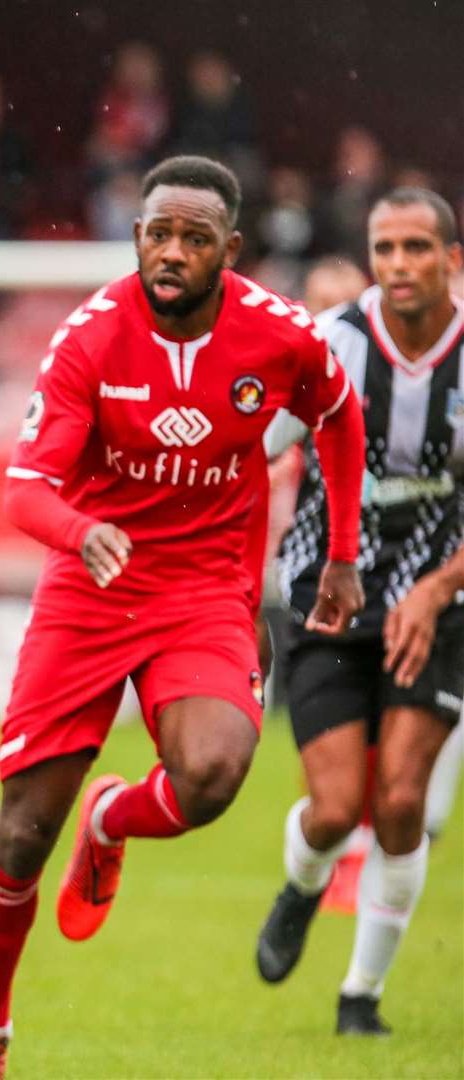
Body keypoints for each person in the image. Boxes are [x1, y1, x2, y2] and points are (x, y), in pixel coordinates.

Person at [0, 155, 366, 1080]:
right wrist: (79, 526)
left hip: (204, 588)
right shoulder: (89, 339)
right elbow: (24, 491)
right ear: (137, 235)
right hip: (89, 592)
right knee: (19, 833)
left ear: (231, 250)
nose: (170, 252)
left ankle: (114, 819)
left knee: (213, 773)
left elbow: (337, 413)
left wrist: (340, 552)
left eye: (193, 238)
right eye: (156, 234)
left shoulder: (279, 337)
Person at [255, 187, 463, 1036]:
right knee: (337, 809)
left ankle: (359, 998)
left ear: (450, 259)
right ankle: (301, 887)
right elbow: (250, 452)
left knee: (404, 801)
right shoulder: (330, 341)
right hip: (327, 598)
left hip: (440, 603)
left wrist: (439, 585)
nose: (398, 265)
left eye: (416, 248)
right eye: (384, 249)